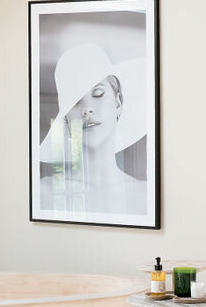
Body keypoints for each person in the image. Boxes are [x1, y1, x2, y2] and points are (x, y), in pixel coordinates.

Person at [37, 42, 147, 217]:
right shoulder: (43, 193)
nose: (86, 109)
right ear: (66, 118)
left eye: (98, 94)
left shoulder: (145, 196)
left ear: (118, 103)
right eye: (75, 101)